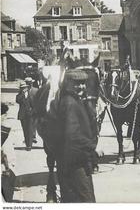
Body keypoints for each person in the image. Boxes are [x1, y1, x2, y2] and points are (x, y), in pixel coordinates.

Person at [56, 69, 97, 202]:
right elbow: (72, 135)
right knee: (87, 199)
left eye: (83, 83)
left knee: (72, 198)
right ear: (68, 83)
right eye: (77, 83)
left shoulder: (74, 100)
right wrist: (92, 147)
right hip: (75, 163)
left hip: (73, 160)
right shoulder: (69, 103)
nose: (81, 86)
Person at [15, 82, 34, 150]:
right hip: (23, 115)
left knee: (30, 130)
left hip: (30, 115)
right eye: (22, 88)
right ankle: (27, 144)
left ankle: (29, 145)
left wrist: (32, 111)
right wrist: (22, 94)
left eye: (25, 87)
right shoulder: (19, 95)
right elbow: (18, 101)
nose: (24, 89)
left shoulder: (30, 94)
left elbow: (33, 104)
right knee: (25, 130)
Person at [25, 77, 39, 144]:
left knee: (34, 124)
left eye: (30, 83)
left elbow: (39, 99)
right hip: (26, 110)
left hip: (35, 109)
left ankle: (33, 137)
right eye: (28, 83)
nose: (30, 84)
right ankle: (28, 138)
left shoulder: (36, 90)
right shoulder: (24, 90)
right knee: (27, 125)